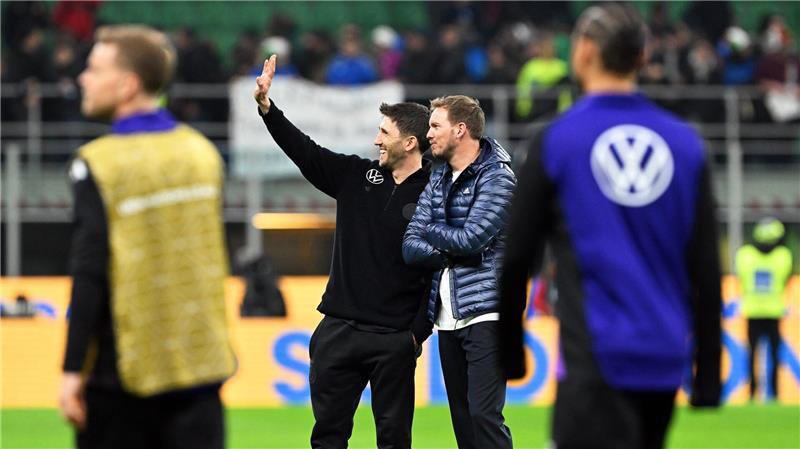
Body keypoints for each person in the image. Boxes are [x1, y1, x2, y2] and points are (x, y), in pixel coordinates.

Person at [499, 4, 722, 449]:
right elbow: (706, 267)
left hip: (596, 361)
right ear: (642, 58)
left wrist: (509, 352)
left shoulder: (557, 140)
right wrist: (708, 372)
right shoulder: (685, 144)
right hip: (663, 361)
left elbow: (517, 257)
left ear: (583, 51)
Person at [59, 25, 235, 449]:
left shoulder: (98, 163)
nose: (83, 77)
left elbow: (90, 273)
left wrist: (71, 370)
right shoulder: (201, 152)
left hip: (123, 382)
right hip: (203, 372)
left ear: (128, 84)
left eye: (94, 68)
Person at [254, 55, 433, 449]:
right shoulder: (357, 176)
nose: (376, 140)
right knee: (328, 438)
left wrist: (416, 333)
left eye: (384, 132)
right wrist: (269, 110)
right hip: (339, 330)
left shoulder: (436, 194)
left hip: (394, 338)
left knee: (394, 440)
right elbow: (306, 152)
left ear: (410, 142)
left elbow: (439, 272)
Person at [402, 95, 515, 449]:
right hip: (448, 318)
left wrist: (433, 230)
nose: (428, 133)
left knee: (484, 416)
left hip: (488, 312)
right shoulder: (438, 176)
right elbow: (410, 244)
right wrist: (446, 240)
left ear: (460, 129)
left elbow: (471, 239)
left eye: (435, 126)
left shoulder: (498, 176)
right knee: (464, 423)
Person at [735, 217, 793, 401]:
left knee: (753, 355)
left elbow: (741, 279)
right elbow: (785, 280)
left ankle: (753, 394)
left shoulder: (744, 255)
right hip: (774, 311)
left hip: (752, 311)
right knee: (774, 355)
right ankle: (773, 394)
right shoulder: (783, 256)